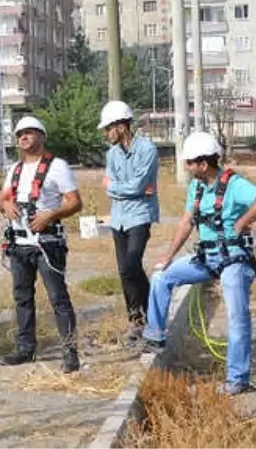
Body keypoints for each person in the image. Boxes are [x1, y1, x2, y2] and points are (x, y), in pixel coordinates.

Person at [141, 132, 256, 395]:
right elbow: (187, 222)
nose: (186, 168)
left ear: (203, 164)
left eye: (189, 163)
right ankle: (155, 336)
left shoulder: (235, 185)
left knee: (237, 316)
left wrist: (241, 223)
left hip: (235, 260)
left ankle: (238, 379)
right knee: (160, 278)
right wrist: (168, 257)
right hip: (208, 257)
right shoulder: (197, 188)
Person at [0, 116, 83, 374]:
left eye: (29, 132)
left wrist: (51, 214)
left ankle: (69, 352)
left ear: (42, 136)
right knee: (22, 297)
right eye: (19, 134)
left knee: (58, 297)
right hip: (19, 244)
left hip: (47, 243)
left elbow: (75, 202)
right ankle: (25, 348)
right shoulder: (14, 170)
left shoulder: (57, 167)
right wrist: (6, 204)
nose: (23, 137)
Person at [99, 100, 159, 343]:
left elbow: (132, 185)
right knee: (124, 270)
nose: (106, 134)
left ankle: (152, 310)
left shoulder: (147, 150)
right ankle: (136, 320)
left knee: (133, 263)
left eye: (108, 128)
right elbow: (113, 186)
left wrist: (116, 187)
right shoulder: (112, 154)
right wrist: (123, 188)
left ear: (121, 126)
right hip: (119, 217)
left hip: (140, 215)